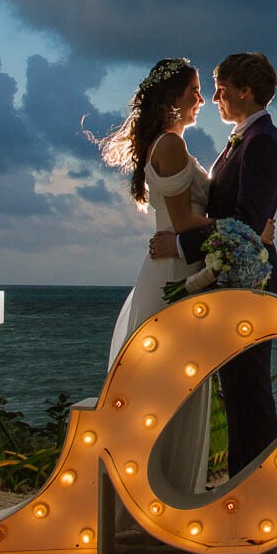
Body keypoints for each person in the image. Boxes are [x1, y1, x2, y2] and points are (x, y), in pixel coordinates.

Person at [151, 51, 277, 477]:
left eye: (221, 90)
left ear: (245, 92)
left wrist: (180, 243)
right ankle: (245, 494)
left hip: (249, 286)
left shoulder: (263, 141)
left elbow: (246, 223)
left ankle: (258, 497)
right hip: (230, 281)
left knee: (250, 398)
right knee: (240, 395)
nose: (213, 99)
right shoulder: (244, 140)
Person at [97, 57, 213, 496]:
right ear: (173, 99)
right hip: (174, 272)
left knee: (173, 384)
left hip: (175, 265)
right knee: (171, 386)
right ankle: (163, 493)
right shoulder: (171, 146)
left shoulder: (170, 144)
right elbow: (184, 222)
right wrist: (242, 228)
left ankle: (170, 493)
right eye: (194, 92)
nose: (200, 100)